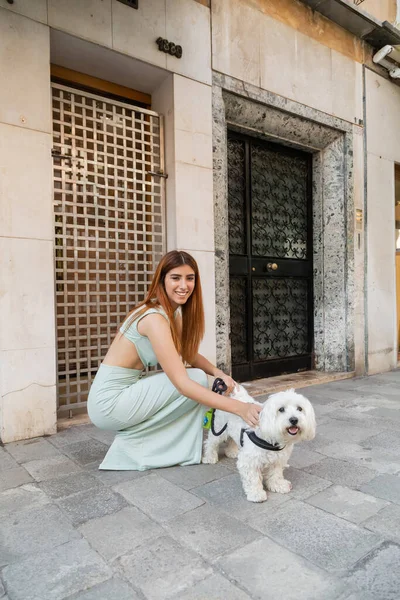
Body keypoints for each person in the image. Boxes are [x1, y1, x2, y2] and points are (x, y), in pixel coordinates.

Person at [87, 250, 262, 471]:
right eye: (175, 278)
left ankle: (155, 444)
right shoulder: (154, 318)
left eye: (190, 278)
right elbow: (182, 384)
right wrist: (240, 408)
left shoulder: (171, 313)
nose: (183, 285)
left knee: (199, 377)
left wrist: (219, 373)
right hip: (108, 402)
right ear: (162, 280)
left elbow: (188, 354)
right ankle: (146, 448)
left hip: (125, 391)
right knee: (195, 381)